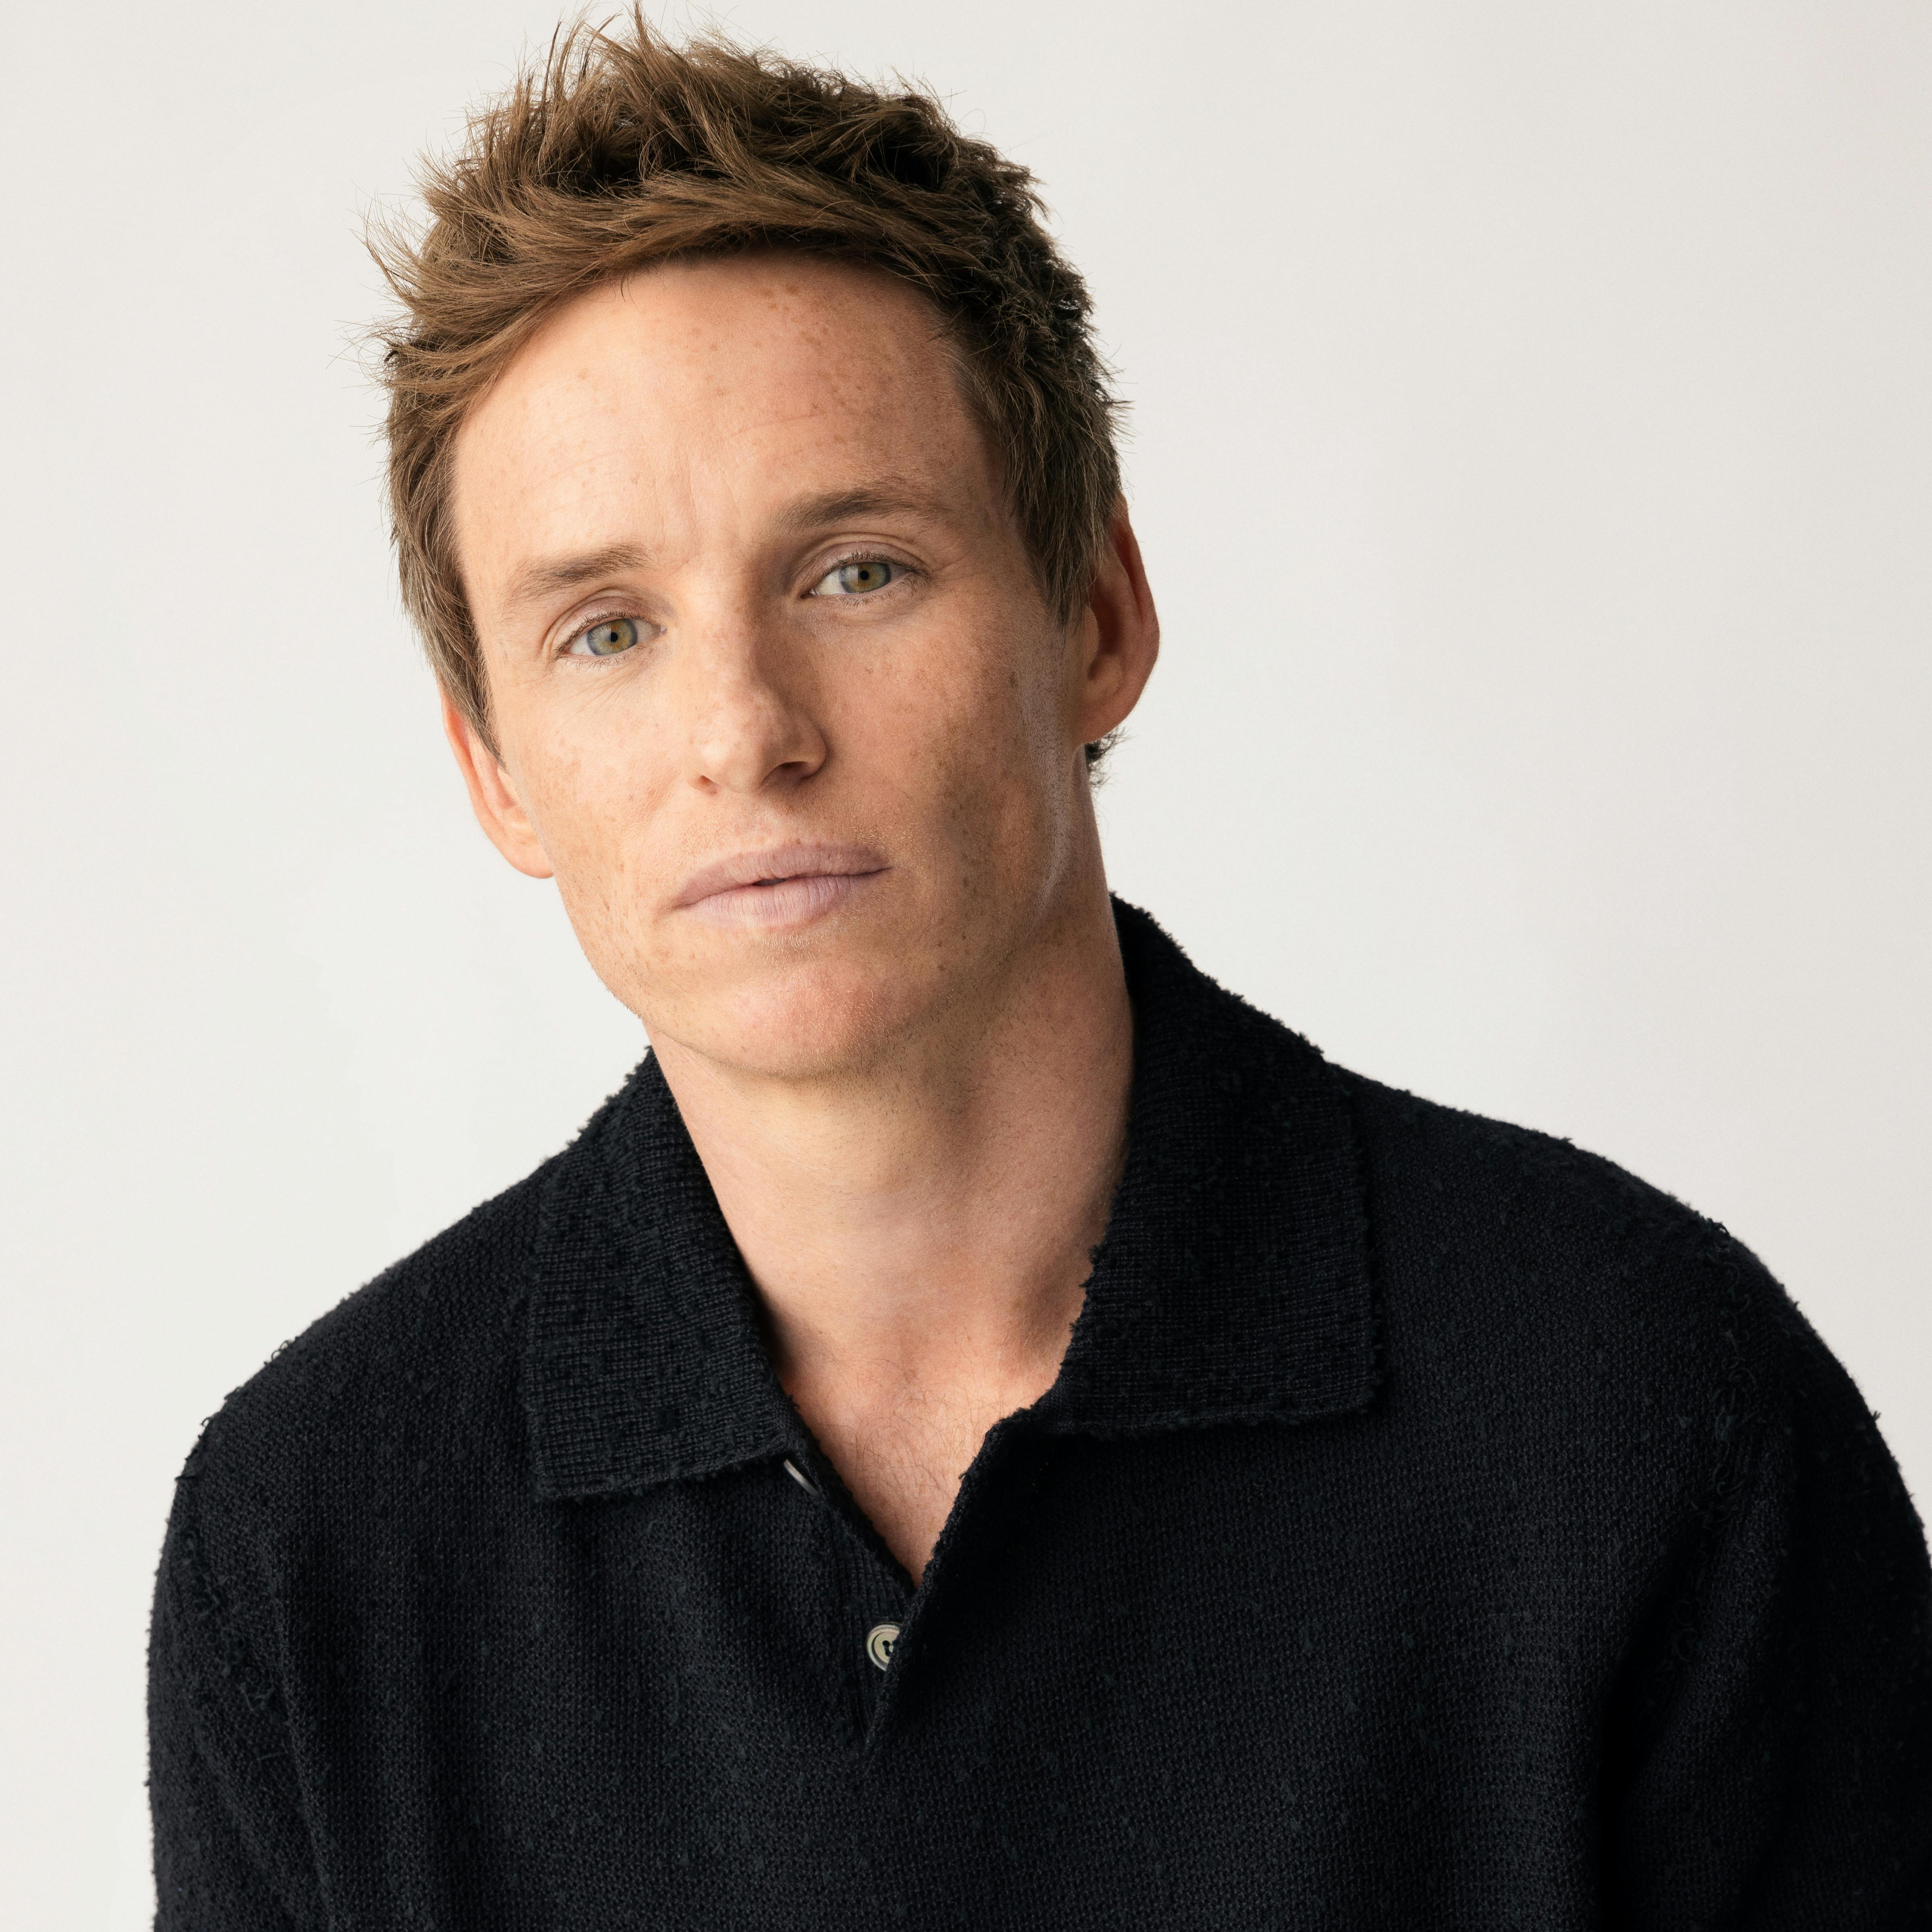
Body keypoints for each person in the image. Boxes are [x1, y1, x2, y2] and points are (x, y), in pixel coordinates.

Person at [146, 16, 1931, 1927]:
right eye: (605, 631)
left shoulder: (1644, 1409)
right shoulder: (312, 1540)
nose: (741, 731)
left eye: (855, 571)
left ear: (1095, 616)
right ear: (494, 767)